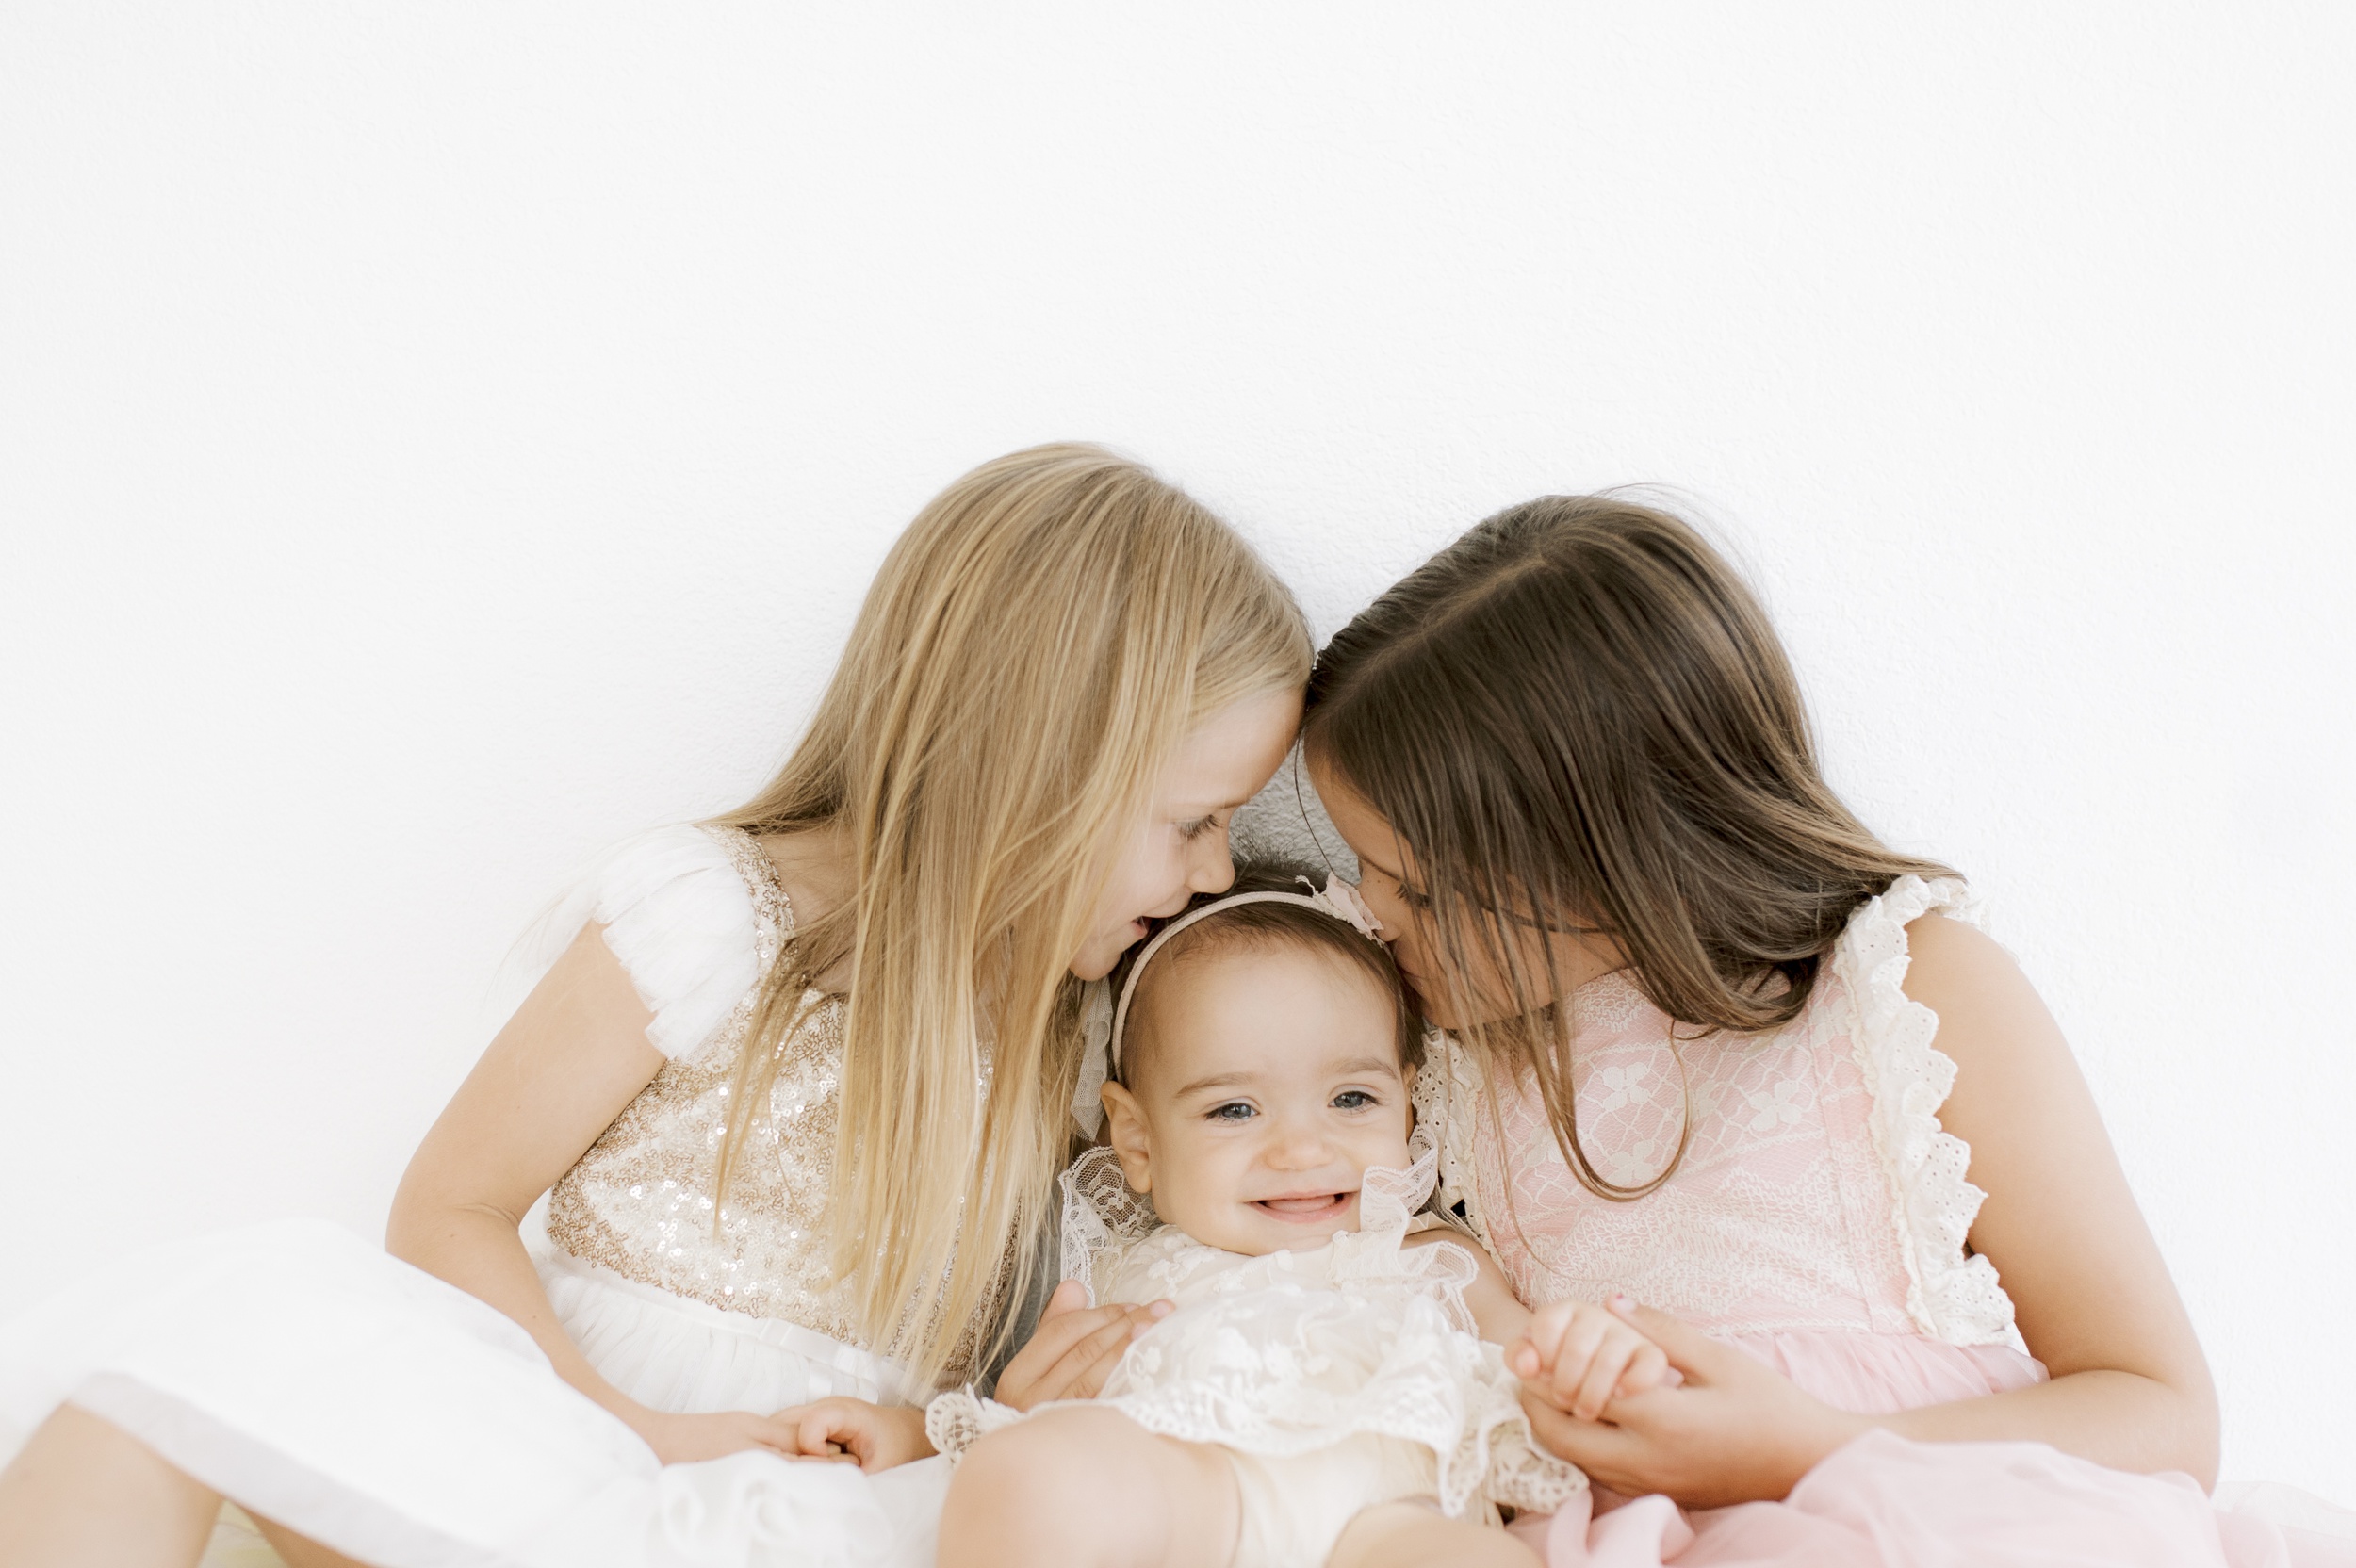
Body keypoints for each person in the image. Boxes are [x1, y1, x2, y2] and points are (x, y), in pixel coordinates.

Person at [0, 442, 1312, 1568]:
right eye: (1193, 821)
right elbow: (449, 1205)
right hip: (576, 1432)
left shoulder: (1075, 1035)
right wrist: (621, 1428)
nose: (1210, 871)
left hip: (818, 1496)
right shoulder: (715, 916)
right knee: (178, 1367)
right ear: (1041, 774)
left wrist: (971, 1421)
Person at [1298, 494, 2355, 1567]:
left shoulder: (1908, 991)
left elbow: (2164, 1414)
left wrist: (1806, 1449)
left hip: (1922, 1513)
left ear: (1611, 855)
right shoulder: (1445, 1058)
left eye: (1419, 889)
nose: (1372, 912)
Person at [909, 866, 1661, 1568]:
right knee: (1026, 1475)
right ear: (1137, 1140)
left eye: (1351, 1099)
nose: (1303, 1149)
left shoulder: (1431, 1256)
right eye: (1234, 1109)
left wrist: (1586, 1358)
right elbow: (1014, 1398)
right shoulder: (1107, 1265)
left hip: (1389, 1515)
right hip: (1189, 1495)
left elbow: (1530, 1365)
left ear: (1408, 1103)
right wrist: (957, 1424)